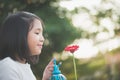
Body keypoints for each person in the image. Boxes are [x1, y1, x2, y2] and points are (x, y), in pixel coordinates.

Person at [0, 11, 54, 80]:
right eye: (37, 33)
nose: (42, 39)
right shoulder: (8, 67)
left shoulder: (24, 66)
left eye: (42, 34)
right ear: (19, 36)